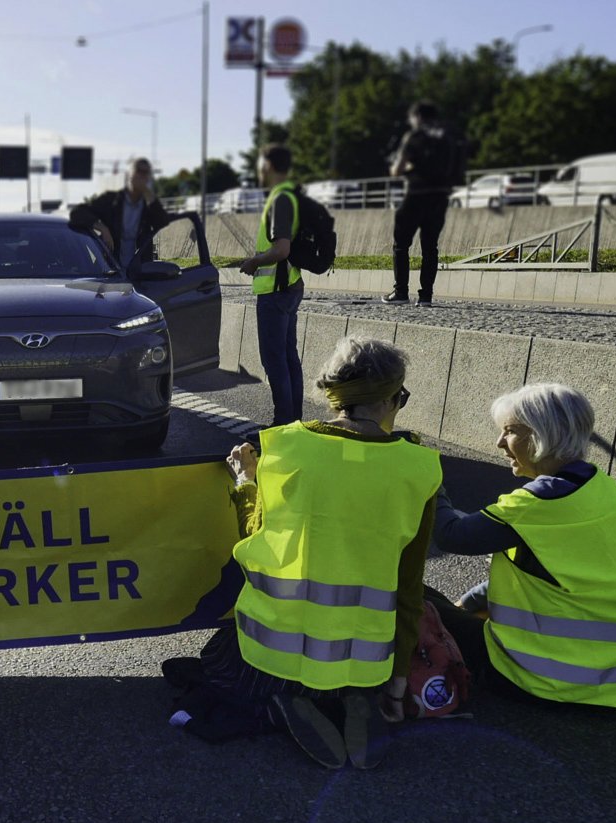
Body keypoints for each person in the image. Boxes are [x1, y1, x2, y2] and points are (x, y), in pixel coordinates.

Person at [165, 337, 439, 769]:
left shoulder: (287, 449)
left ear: (333, 397)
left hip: (272, 655)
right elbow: (409, 585)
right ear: (390, 399)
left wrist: (246, 482)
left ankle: (279, 703)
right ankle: (353, 699)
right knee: (354, 677)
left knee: (215, 663)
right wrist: (398, 683)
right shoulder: (420, 468)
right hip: (363, 663)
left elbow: (256, 536)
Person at [431, 384, 616, 712]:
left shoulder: (542, 501)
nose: (499, 443)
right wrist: (473, 601)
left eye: (509, 431)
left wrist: (427, 477)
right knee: (450, 611)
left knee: (416, 601)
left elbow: (453, 535)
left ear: (541, 435)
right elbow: (555, 572)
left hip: (553, 680)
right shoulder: (605, 489)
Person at [236, 144, 304, 431]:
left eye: (260, 164)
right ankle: (293, 422)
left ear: (267, 166)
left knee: (275, 361)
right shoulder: (290, 195)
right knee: (288, 358)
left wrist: (254, 261)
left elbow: (281, 249)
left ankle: (282, 424)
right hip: (288, 286)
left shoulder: (279, 200)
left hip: (276, 291)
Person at [384, 102, 457, 308]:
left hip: (416, 195)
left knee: (401, 245)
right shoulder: (447, 139)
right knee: (430, 247)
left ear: (417, 116)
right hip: (440, 198)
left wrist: (404, 168)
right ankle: (426, 297)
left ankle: (401, 293)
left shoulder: (414, 137)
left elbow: (397, 170)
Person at [68, 157, 174, 278]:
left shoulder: (148, 206)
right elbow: (77, 213)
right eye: (139, 171)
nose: (142, 176)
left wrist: (148, 193)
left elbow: (163, 222)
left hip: (140, 274)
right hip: (111, 271)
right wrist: (102, 228)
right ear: (130, 174)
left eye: (146, 173)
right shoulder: (111, 200)